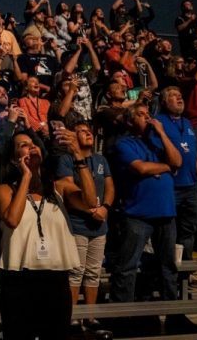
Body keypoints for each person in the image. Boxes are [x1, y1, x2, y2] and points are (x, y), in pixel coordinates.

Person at [0, 128, 90, 340]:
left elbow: (90, 201)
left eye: (33, 142)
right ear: (13, 158)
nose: (31, 146)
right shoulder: (5, 189)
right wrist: (27, 175)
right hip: (19, 280)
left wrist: (78, 156)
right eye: (23, 145)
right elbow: (12, 219)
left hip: (55, 279)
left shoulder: (59, 188)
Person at [110, 103, 182, 304]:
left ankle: (173, 312)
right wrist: (167, 167)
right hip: (137, 215)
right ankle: (122, 315)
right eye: (141, 115)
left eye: (148, 114)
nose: (147, 118)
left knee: (169, 266)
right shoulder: (124, 144)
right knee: (128, 266)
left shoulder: (158, 143)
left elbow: (178, 161)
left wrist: (162, 133)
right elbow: (140, 168)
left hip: (166, 213)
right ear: (131, 120)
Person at [55, 122, 114, 330]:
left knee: (93, 271)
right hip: (78, 224)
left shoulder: (100, 159)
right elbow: (68, 191)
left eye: (89, 130)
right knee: (76, 272)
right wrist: (91, 210)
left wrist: (105, 207)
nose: (88, 133)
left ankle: (89, 316)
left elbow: (109, 186)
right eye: (82, 131)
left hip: (99, 226)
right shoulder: (66, 159)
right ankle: (73, 316)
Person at [156, 86, 197, 288]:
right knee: (169, 231)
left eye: (180, 95)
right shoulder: (159, 122)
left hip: (191, 185)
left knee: (189, 231)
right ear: (164, 101)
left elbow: (193, 152)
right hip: (171, 187)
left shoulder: (187, 123)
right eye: (174, 96)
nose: (179, 98)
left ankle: (187, 271)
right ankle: (169, 272)